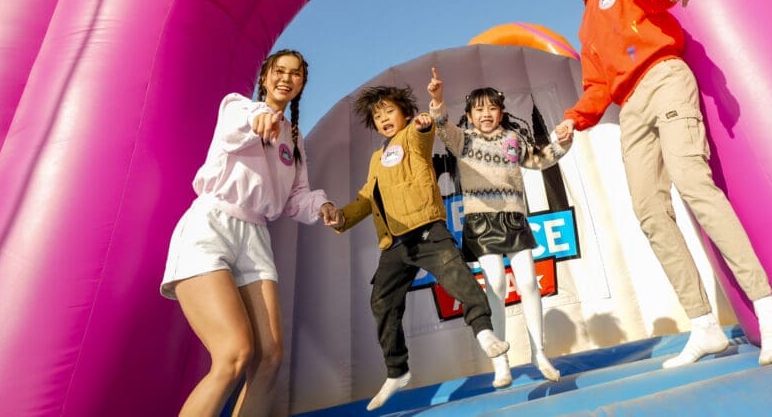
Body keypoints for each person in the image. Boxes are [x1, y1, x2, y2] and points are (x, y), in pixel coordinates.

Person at [542, 0, 772, 367]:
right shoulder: (586, 32)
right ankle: (704, 325)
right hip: (630, 107)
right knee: (649, 212)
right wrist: (573, 119)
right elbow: (597, 87)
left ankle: (769, 312)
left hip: (663, 78)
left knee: (692, 183)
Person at [160, 49, 342, 416]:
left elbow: (295, 197)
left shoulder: (294, 140)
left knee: (270, 357)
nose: (286, 78)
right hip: (211, 228)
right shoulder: (238, 108)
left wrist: (321, 206)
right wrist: (260, 117)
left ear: (302, 84)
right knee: (234, 354)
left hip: (256, 238)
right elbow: (241, 126)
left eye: (295, 74)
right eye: (279, 71)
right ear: (264, 78)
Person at [333, 84, 510, 411]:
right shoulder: (376, 159)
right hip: (395, 243)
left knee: (460, 281)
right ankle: (397, 371)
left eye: (390, 112)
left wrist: (424, 123)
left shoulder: (411, 138)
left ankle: (485, 333)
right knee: (382, 303)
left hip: (427, 230)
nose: (384, 119)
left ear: (405, 114)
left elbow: (422, 134)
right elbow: (366, 198)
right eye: (378, 116)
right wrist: (341, 217)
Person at [427, 67, 571, 387]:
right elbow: (442, 125)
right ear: (469, 115)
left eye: (492, 108)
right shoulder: (463, 140)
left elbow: (539, 160)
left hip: (514, 219)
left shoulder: (512, 139)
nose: (486, 114)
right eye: (479, 110)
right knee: (495, 286)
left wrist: (563, 143)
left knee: (529, 283)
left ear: (502, 113)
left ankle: (539, 353)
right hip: (481, 223)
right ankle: (501, 363)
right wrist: (437, 99)